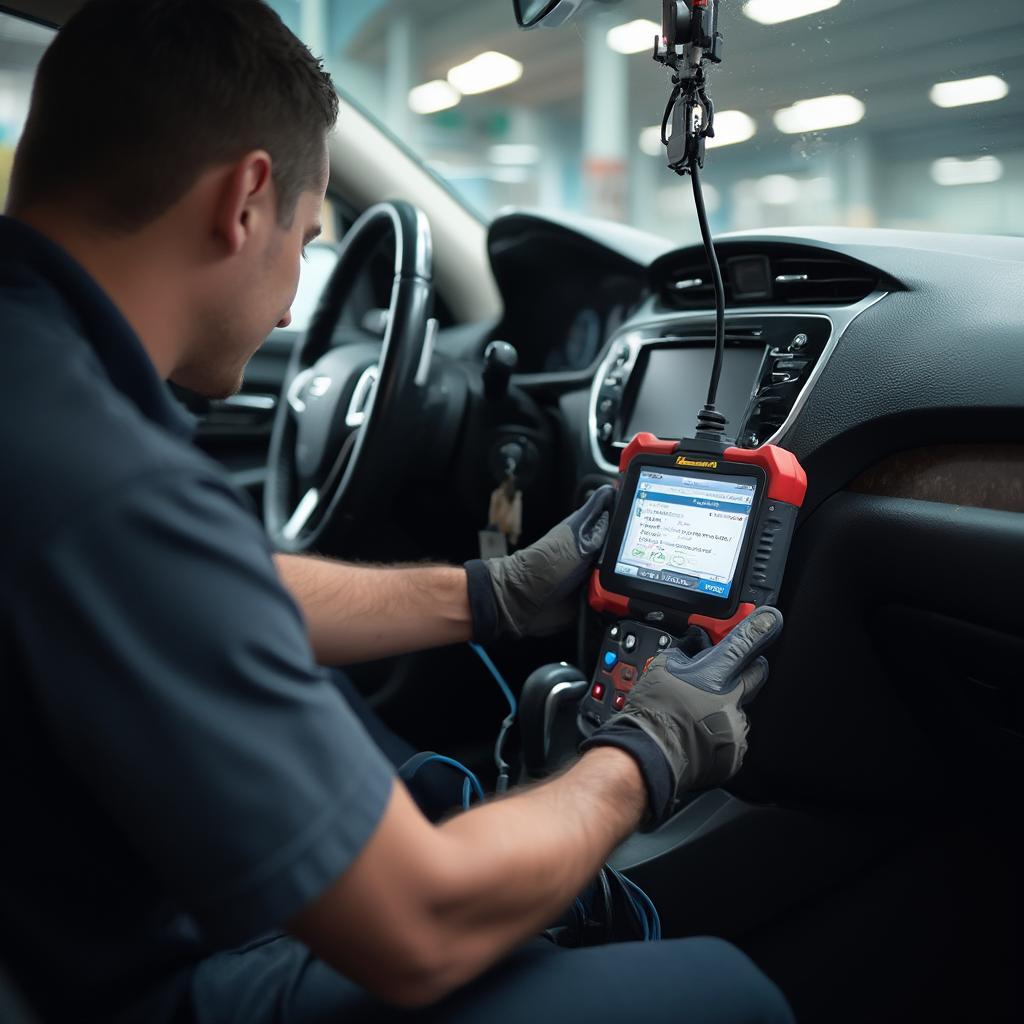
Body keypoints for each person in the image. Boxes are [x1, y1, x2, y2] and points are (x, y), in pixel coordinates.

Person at [0, 1, 795, 1022]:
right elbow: (421, 924)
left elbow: (197, 593)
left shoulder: (44, 392)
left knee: (425, 779)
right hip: (133, 990)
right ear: (246, 199)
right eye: (307, 230)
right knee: (729, 994)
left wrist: (491, 593)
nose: (293, 302)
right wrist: (643, 756)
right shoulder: (106, 481)